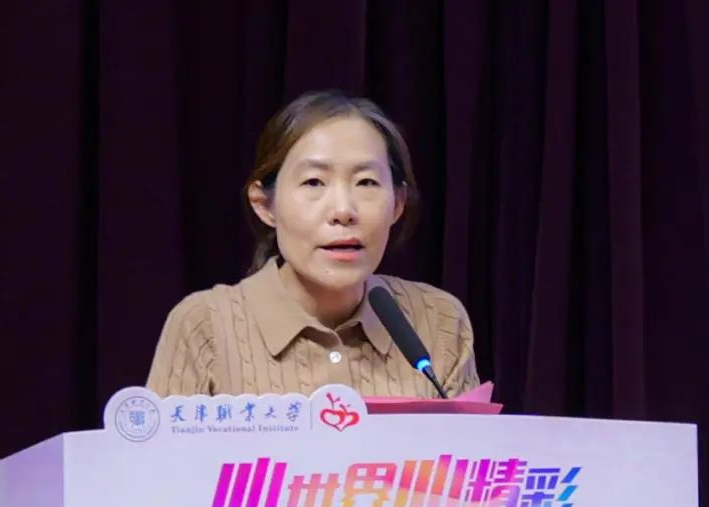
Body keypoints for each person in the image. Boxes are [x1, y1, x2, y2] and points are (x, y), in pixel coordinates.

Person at [147, 90, 479, 398]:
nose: (343, 211)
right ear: (264, 204)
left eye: (366, 182)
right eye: (314, 182)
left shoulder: (439, 322)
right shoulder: (204, 326)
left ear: (398, 204)